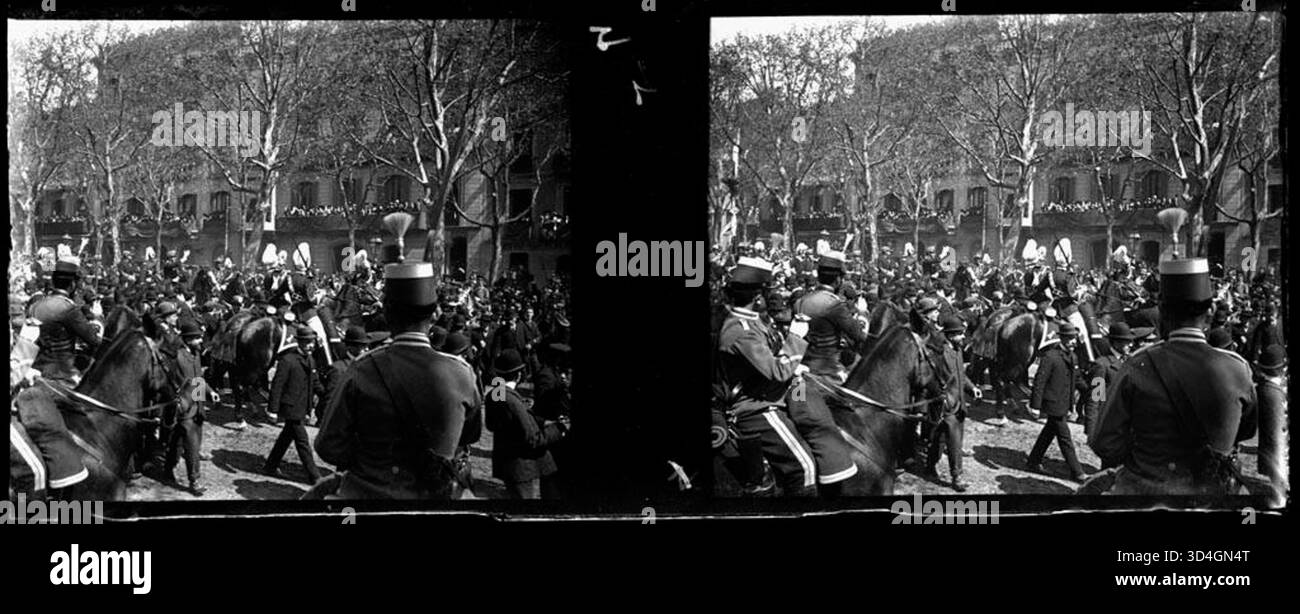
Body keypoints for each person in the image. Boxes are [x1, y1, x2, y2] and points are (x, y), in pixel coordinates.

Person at [315, 255, 483, 499]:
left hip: (366, 498)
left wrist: (372, 462)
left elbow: (327, 446)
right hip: (437, 498)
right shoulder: (462, 373)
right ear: (435, 314)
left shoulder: (361, 369)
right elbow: (470, 435)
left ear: (387, 313)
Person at [1091, 257, 1258, 496]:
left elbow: (1104, 442)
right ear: (1210, 311)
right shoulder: (1238, 368)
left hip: (1146, 490)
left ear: (1162, 310)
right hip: (1214, 492)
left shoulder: (1137, 364)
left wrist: (1148, 454)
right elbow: (1247, 431)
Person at [715, 257, 818, 496]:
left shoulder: (751, 322)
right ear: (757, 296)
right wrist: (796, 336)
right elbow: (778, 370)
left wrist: (796, 367)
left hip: (775, 392)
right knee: (805, 468)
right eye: (768, 291)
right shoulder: (740, 330)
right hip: (758, 408)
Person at [485, 349, 567, 499]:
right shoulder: (512, 402)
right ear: (519, 374)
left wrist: (530, 414)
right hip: (519, 467)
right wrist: (558, 429)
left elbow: (492, 423)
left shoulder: (496, 394)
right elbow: (533, 439)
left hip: (508, 462)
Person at [1025, 322, 1089, 482]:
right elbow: (1039, 381)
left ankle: (1033, 461)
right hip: (1053, 403)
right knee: (1065, 437)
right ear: (1064, 339)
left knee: (1048, 432)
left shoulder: (1073, 356)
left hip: (1064, 402)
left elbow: (1078, 379)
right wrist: (1035, 406)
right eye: (1071, 338)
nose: (1074, 341)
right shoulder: (1051, 356)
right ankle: (1077, 472)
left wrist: (1095, 393)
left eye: (1075, 338)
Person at [262, 326, 324, 484]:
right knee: (302, 441)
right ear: (300, 342)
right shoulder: (288, 360)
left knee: (286, 437)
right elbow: (277, 386)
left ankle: (270, 466)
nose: (311, 345)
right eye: (308, 342)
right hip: (290, 407)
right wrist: (273, 410)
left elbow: (315, 383)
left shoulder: (311, 360)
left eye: (313, 342)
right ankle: (315, 476)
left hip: (302, 406)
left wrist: (328, 395)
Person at [925, 316, 981, 491]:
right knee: (954, 441)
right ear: (950, 335)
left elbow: (960, 376)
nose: (963, 337)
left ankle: (929, 465)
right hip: (946, 404)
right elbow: (932, 378)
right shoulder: (939, 353)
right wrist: (941, 397)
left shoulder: (957, 350)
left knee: (939, 439)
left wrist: (972, 388)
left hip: (958, 403)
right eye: (960, 334)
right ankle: (956, 477)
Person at [30, 258, 102, 384]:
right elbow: (93, 340)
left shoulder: (35, 306)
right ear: (73, 284)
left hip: (36, 369)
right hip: (63, 373)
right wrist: (96, 318)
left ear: (53, 281)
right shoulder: (69, 309)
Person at [164, 319, 214, 496]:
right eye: (197, 338)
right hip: (184, 406)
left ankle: (167, 469)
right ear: (188, 339)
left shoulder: (196, 354)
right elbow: (173, 382)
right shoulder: (177, 357)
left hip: (197, 404)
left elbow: (199, 378)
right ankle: (194, 480)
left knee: (177, 441)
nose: (201, 341)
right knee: (192, 443)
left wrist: (210, 392)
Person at [1254, 344, 1287, 505]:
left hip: (1268, 454)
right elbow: (1276, 438)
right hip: (1275, 459)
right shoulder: (1273, 394)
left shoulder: (1263, 388)